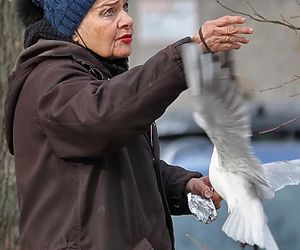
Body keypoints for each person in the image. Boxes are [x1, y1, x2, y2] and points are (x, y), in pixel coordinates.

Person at [4, 0, 253, 249]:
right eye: (108, 12)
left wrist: (182, 186)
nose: (126, 20)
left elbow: (117, 169)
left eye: (124, 7)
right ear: (70, 27)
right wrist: (187, 55)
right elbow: (102, 119)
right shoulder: (49, 81)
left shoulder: (93, 77)